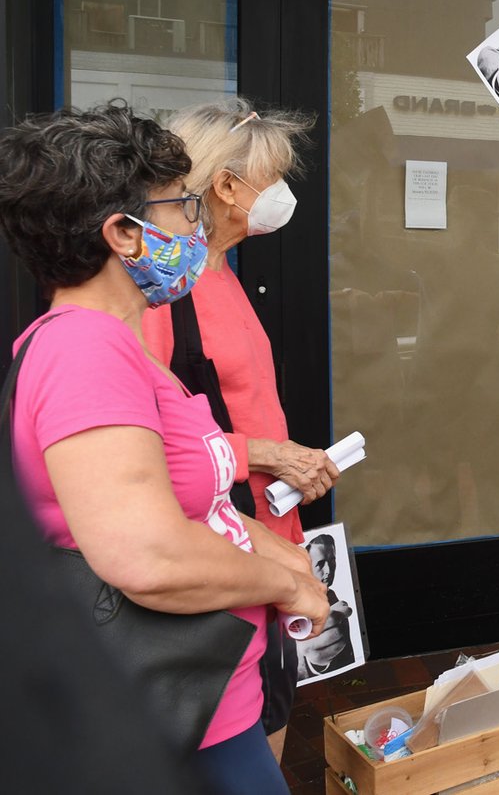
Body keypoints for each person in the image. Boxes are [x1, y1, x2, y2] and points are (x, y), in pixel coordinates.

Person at [0, 102, 331, 794]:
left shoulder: (112, 344)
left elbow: (196, 500)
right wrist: (287, 584)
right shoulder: (84, 352)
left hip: (210, 696)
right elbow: (148, 555)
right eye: (181, 205)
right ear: (124, 234)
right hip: (178, 713)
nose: (193, 224)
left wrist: (284, 555)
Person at [141, 99, 341, 760]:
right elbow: (150, 435)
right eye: (271, 176)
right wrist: (271, 454)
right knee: (242, 733)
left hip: (268, 532)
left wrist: (290, 464)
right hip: (225, 547)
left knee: (272, 706)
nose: (281, 193)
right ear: (226, 186)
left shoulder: (224, 272)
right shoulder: (166, 289)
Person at [296, 533, 355, 680]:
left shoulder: (331, 595)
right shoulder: (297, 603)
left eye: (332, 561)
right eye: (321, 563)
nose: (329, 570)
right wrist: (316, 664)